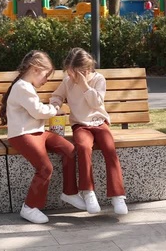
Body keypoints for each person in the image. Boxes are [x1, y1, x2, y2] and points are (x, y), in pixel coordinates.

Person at [0, 50, 86, 224]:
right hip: (22, 134)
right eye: (46, 76)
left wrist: (51, 109)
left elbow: (36, 111)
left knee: (69, 150)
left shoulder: (27, 86)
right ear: (35, 69)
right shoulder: (22, 87)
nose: (46, 81)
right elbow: (38, 111)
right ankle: (29, 207)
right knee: (45, 168)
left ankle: (70, 192)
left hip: (38, 132)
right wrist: (54, 109)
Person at [50, 48, 128, 215]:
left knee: (109, 148)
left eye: (72, 73)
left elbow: (96, 103)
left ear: (84, 71)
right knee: (84, 148)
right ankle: (88, 192)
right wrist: (56, 104)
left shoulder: (98, 79)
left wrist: (84, 85)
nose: (70, 76)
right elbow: (56, 96)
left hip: (99, 122)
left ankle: (118, 195)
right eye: (68, 72)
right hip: (80, 124)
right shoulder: (67, 82)